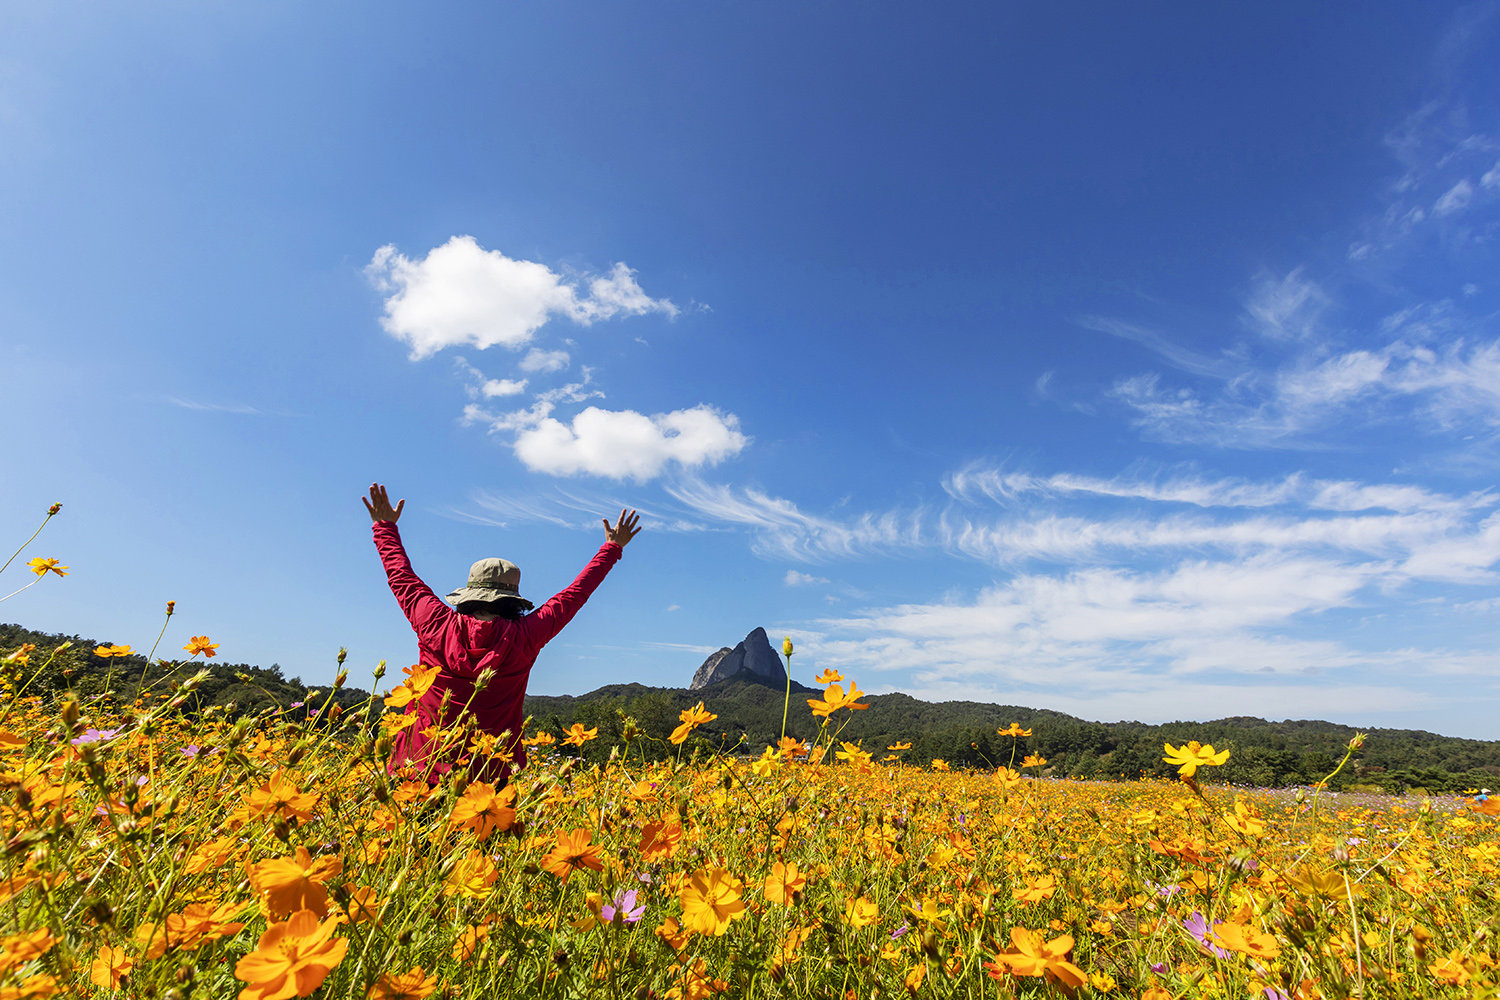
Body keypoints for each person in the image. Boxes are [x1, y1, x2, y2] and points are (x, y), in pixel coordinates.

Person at [363, 482, 641, 787]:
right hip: (490, 782)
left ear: (468, 593)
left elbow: (401, 576)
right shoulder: (527, 634)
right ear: (513, 600)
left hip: (416, 771)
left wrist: (385, 527)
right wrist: (612, 548)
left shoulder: (434, 621)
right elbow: (574, 595)